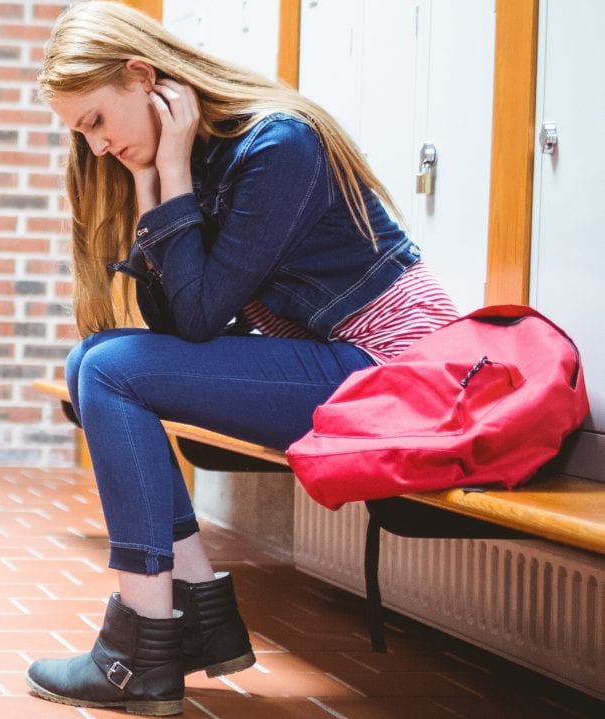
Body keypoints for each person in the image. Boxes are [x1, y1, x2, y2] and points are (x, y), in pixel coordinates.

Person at [26, 0, 459, 715]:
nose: (96, 146)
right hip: (337, 360)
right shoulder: (202, 157)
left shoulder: (277, 145)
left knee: (104, 367)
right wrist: (155, 182)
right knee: (93, 361)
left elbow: (195, 318)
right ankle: (194, 617)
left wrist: (166, 170)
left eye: (97, 120)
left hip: (393, 375)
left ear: (143, 76)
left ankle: (138, 647)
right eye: (82, 134)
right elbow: (178, 315)